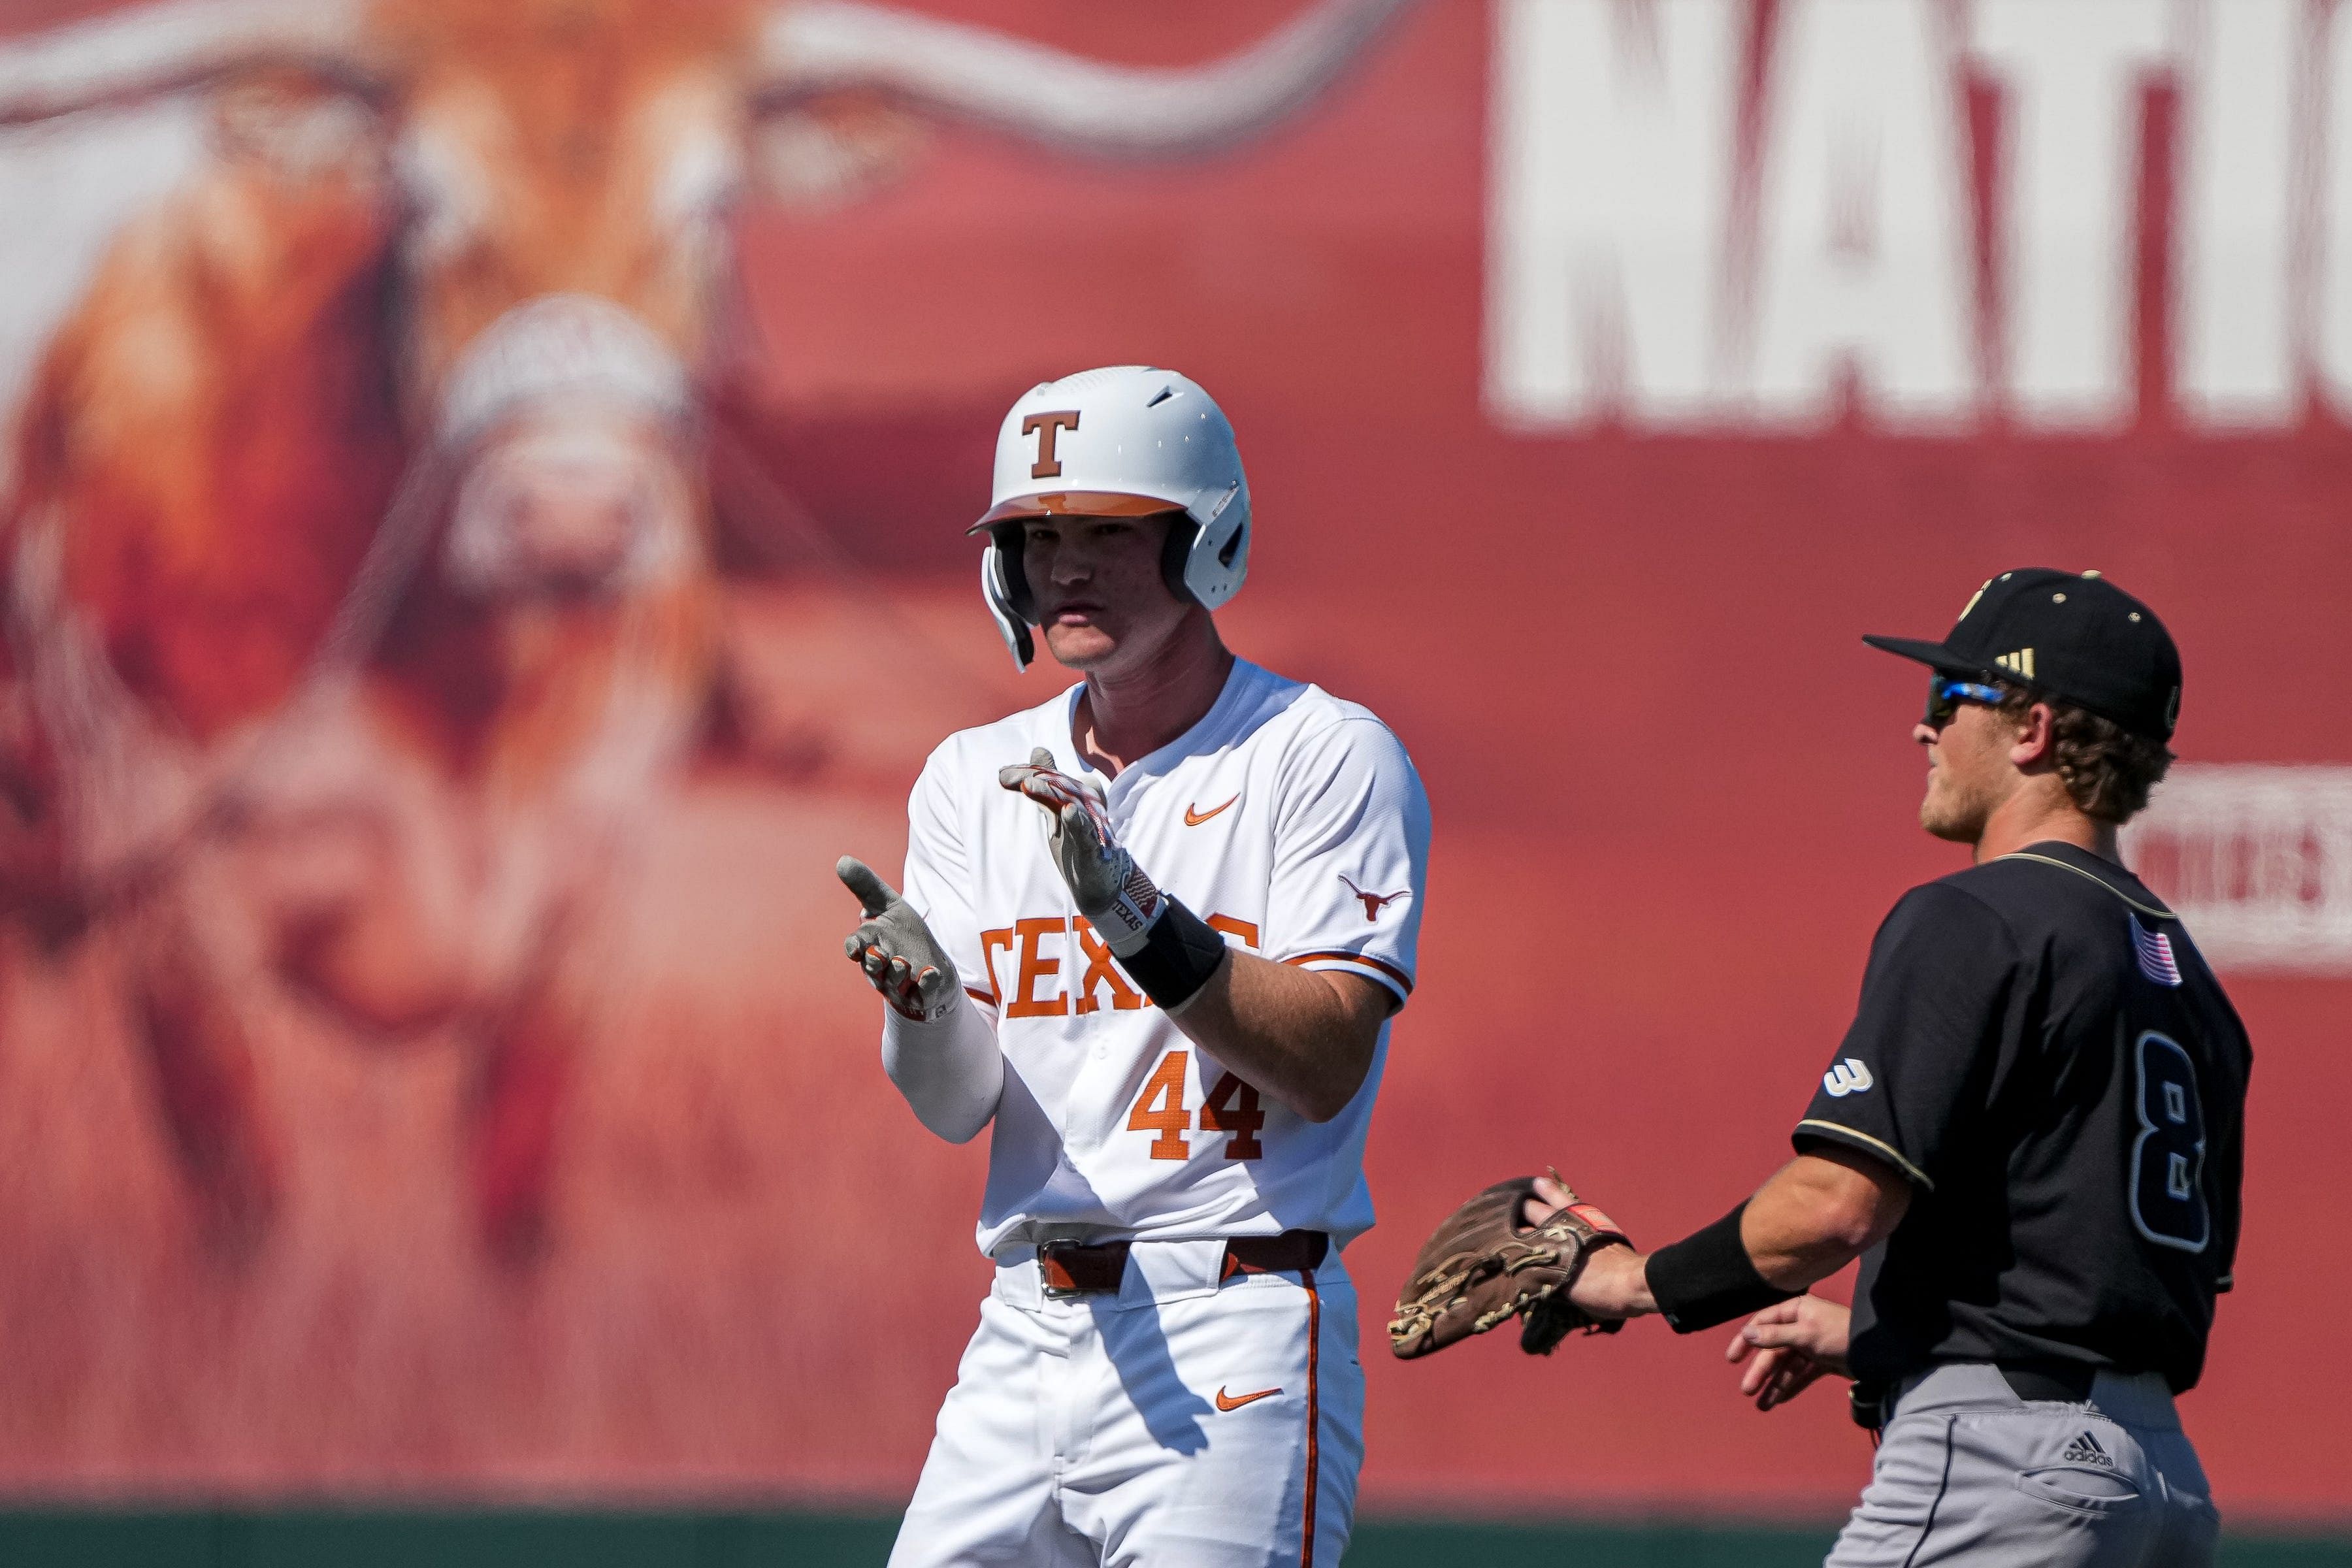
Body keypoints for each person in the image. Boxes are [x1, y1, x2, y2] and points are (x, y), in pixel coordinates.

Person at [1456, 568, 2246, 1567]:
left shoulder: (1979, 915)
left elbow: (1832, 1205)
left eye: (1948, 697)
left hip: (2011, 1474)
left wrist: (1630, 1281)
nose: (1924, 729)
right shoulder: (2188, 978)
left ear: (2034, 730)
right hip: (2163, 1487)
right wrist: (1880, 1332)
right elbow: (2113, 1268)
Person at [836, 365, 1430, 1566]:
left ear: (1203, 539)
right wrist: (928, 1011)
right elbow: (959, 1110)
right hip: (1024, 1325)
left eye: (1109, 532)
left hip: (1233, 1323)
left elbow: (1324, 1060)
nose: (1065, 566)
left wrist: (1143, 923)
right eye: (1037, 536)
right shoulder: (970, 773)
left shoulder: (1319, 753)